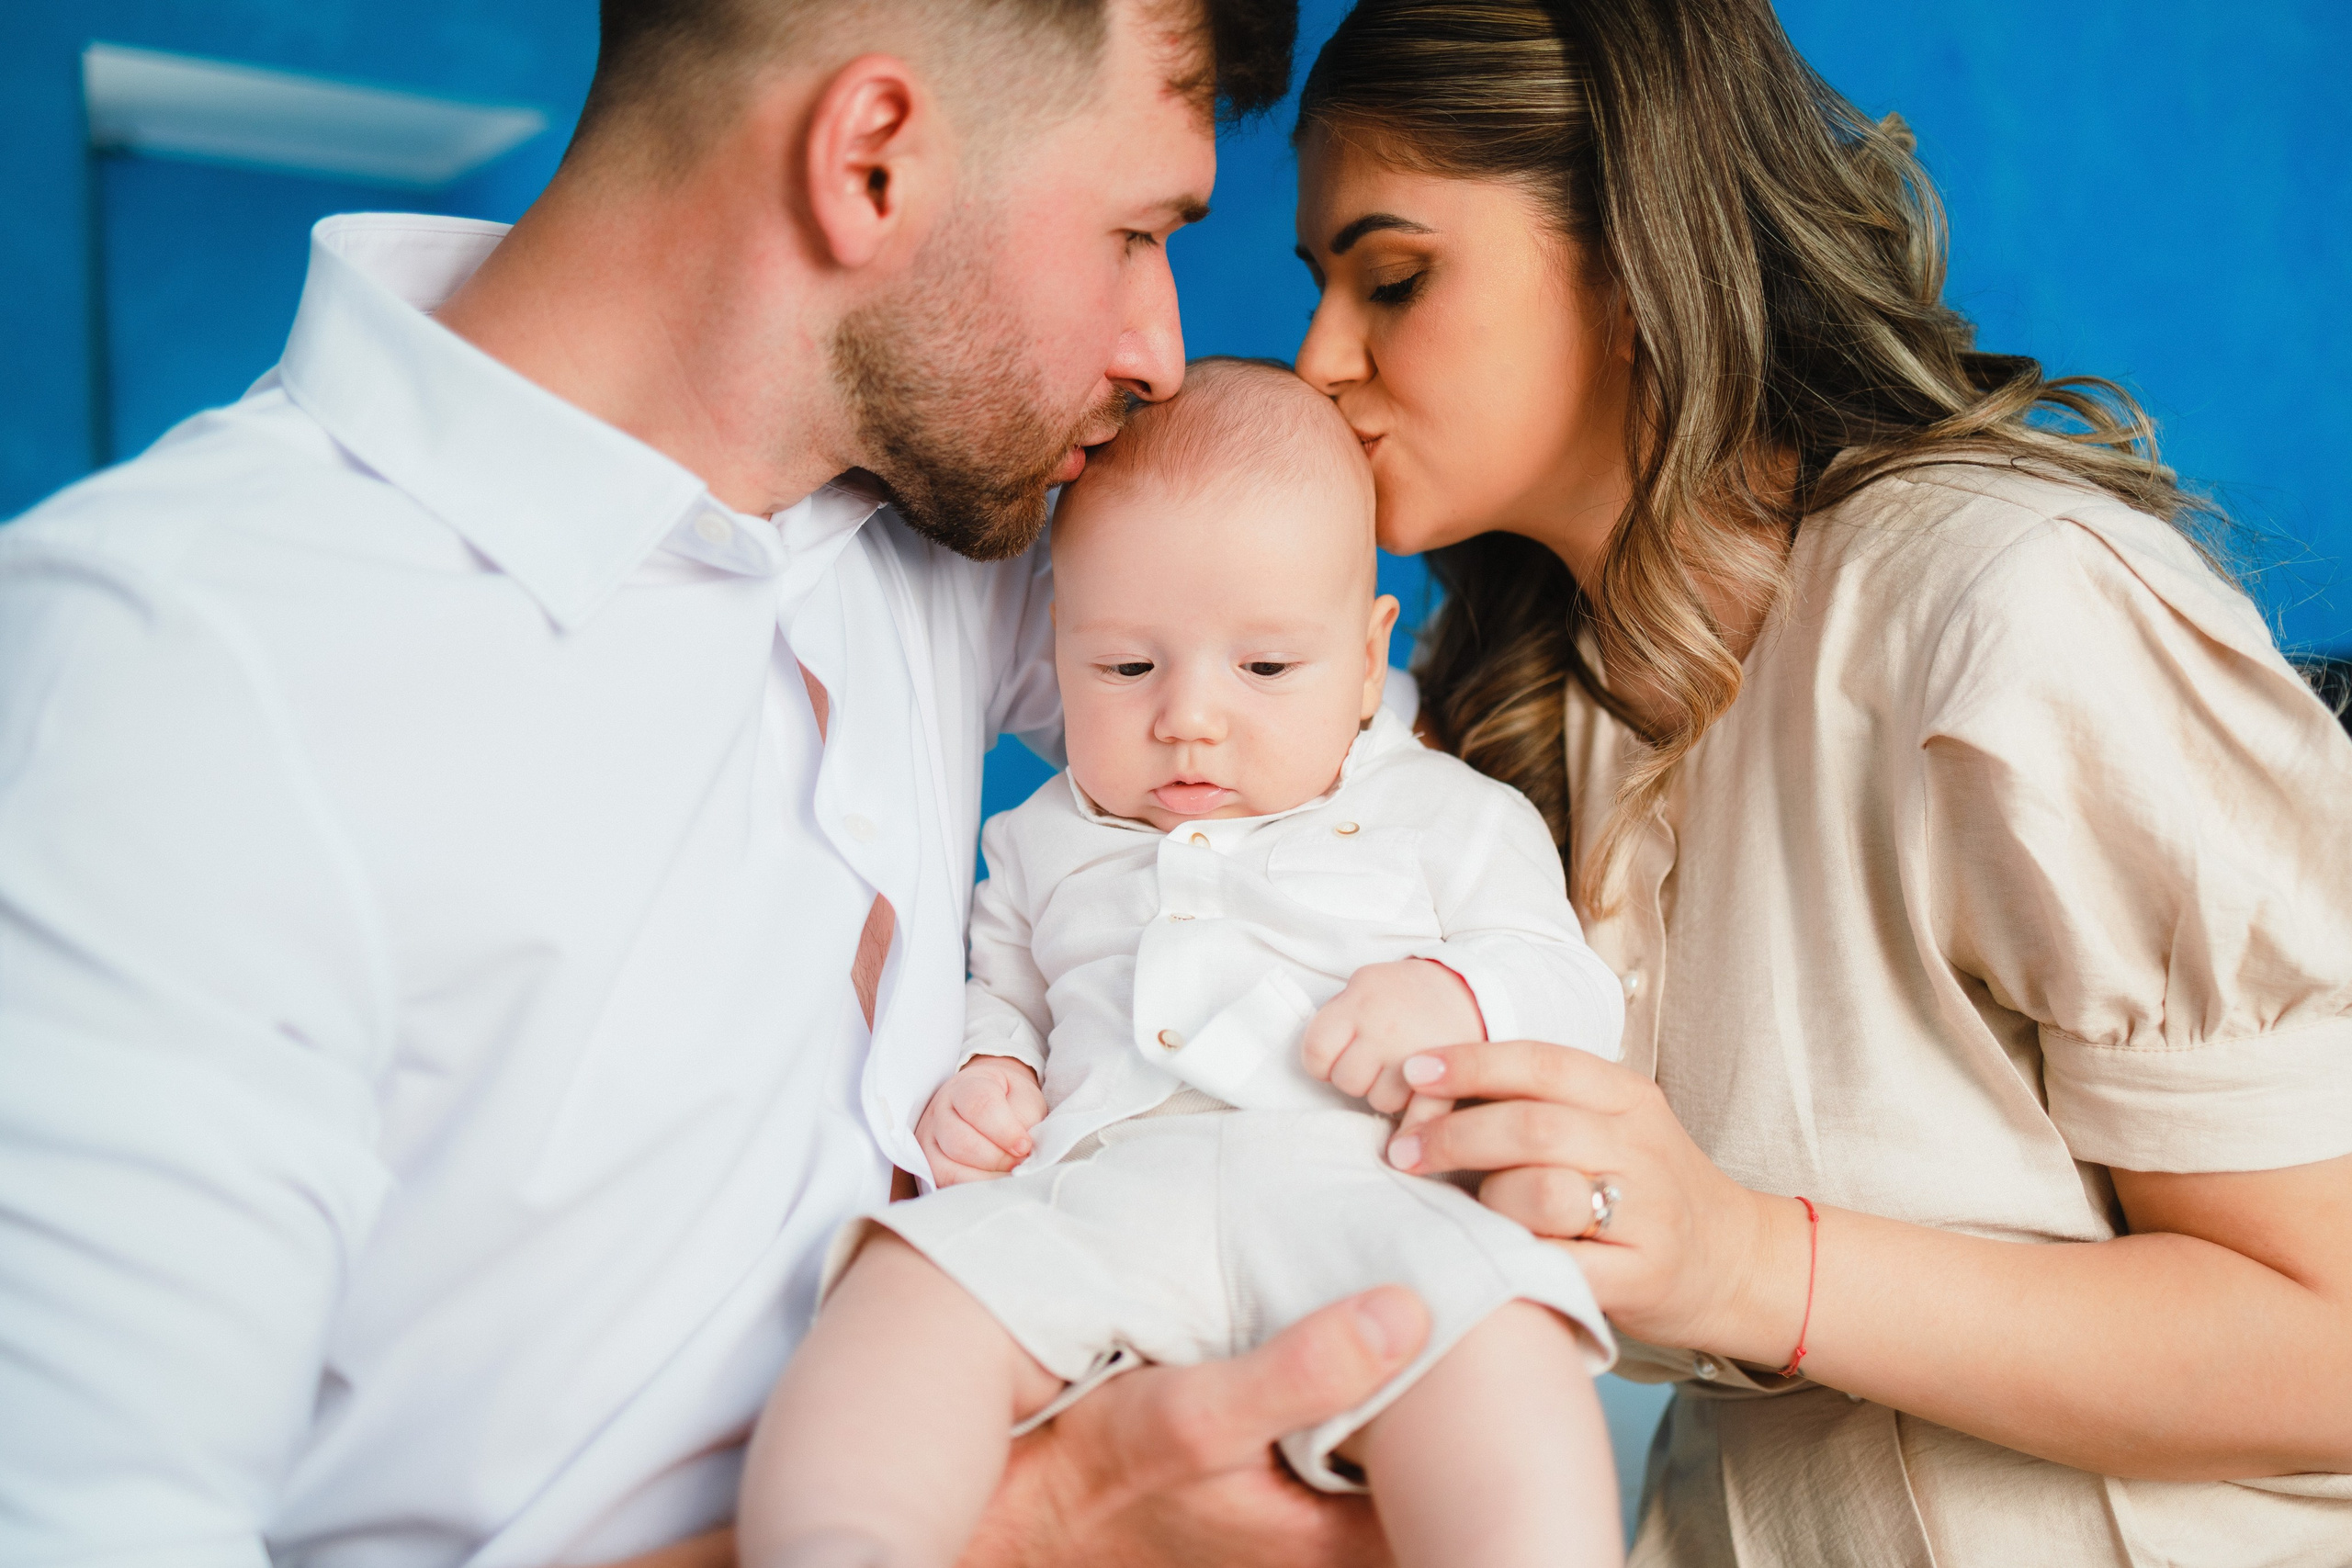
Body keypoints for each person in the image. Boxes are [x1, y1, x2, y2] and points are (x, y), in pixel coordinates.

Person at [0, 4, 1441, 1564]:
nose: (1160, 350)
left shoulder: (931, 534)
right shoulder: (163, 675)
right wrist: (1041, 1525)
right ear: (870, 163)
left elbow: (1336, 709)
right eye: (1135, 232)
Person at [1287, 1, 2352, 1564]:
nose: (1319, 359)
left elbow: (2332, 1334)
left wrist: (1744, 1266)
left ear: (1640, 253)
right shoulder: (1507, 714)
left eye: (1393, 278)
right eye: (1325, 286)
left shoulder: (2008, 614)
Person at [737, 359, 1628, 1568]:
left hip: (1372, 1188)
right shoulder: (1043, 838)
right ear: (1057, 650)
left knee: (1503, 1342)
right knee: (907, 1293)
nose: (1190, 718)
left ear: (1370, 659)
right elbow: (1001, 988)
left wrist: (1457, 995)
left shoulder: (1450, 816)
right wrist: (992, 1068)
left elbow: (1568, 986)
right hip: (1107, 1189)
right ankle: (846, 1540)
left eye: (1265, 669)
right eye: (1126, 668)